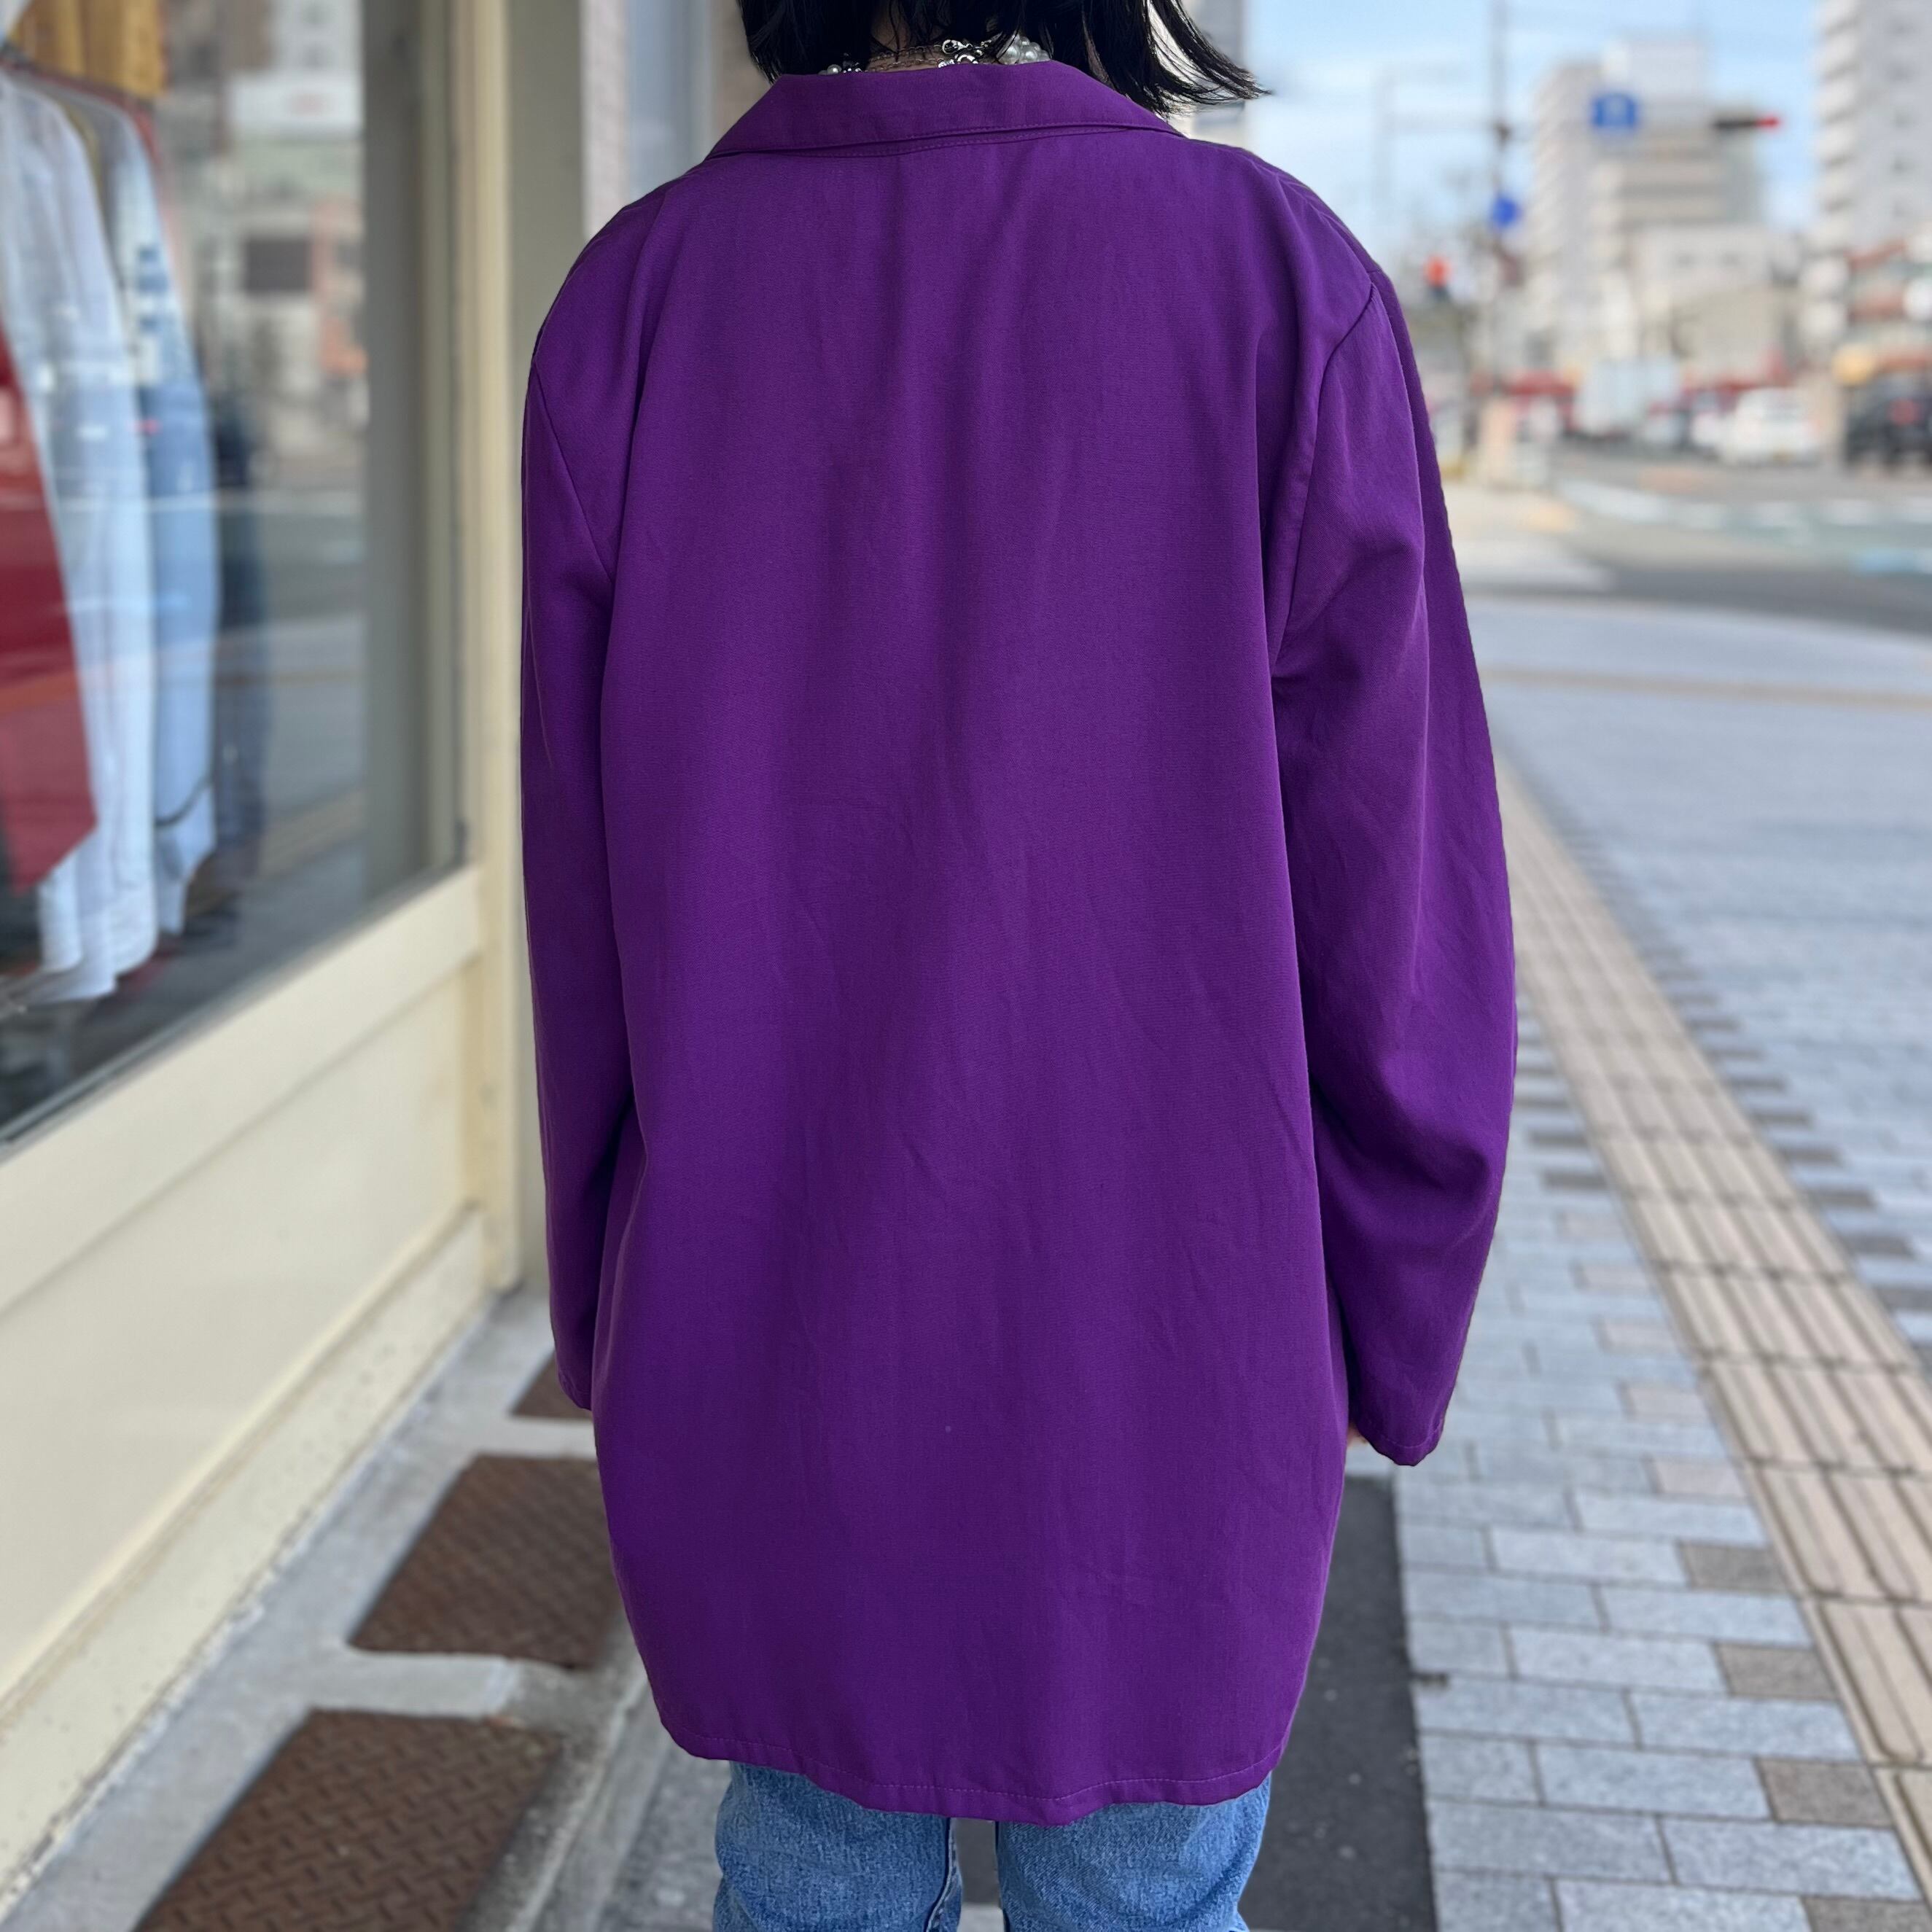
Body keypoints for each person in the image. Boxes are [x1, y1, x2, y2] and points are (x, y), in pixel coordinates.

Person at [518, 0, 1516, 1920]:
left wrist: (610, 1299)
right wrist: (1396, 1301)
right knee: (1147, 1893)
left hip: (770, 1329)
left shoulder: (641, 299)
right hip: (1174, 1341)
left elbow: (586, 904)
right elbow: (1396, 890)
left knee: (807, 1871)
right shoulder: (1271, 283)